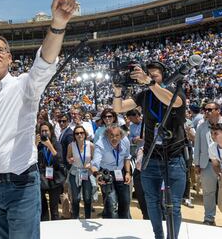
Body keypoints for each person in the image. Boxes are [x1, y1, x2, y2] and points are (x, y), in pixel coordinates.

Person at [0, 0, 79, 239]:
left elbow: (45, 63)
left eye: (0, 50)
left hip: (22, 185)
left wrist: (58, 24)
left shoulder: (26, 86)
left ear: (9, 58)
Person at [113, 61, 186, 239]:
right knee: (152, 202)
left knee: (174, 205)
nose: (151, 77)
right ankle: (159, 236)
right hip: (151, 157)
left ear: (163, 77)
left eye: (155, 75)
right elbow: (119, 108)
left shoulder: (175, 91)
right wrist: (117, 90)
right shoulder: (144, 96)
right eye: (149, 75)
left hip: (174, 158)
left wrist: (150, 83)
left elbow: (174, 102)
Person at [91, 124, 131, 219]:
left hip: (121, 171)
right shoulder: (100, 144)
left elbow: (127, 157)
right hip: (106, 173)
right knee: (111, 203)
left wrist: (128, 172)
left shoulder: (125, 141)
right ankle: (111, 226)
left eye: (117, 135)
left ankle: (124, 224)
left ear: (121, 135)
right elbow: (95, 164)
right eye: (111, 135)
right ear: (107, 135)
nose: (114, 138)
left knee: (125, 201)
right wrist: (97, 175)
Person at [193, 101, 221, 225]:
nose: (207, 112)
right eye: (206, 110)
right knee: (208, 192)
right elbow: (197, 145)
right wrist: (197, 164)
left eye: (210, 109)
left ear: (218, 110)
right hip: (207, 164)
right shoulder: (201, 127)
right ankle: (209, 218)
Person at [37, 122, 65, 221]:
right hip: (41, 178)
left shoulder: (56, 143)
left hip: (55, 178)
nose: (44, 133)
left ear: (50, 131)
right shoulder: (38, 145)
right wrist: (35, 145)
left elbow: (60, 160)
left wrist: (50, 146)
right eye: (42, 131)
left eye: (46, 131)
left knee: (54, 208)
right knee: (42, 207)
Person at [67, 125, 94, 219]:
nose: (79, 135)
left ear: (85, 134)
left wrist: (90, 165)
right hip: (75, 173)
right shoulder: (71, 145)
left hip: (87, 173)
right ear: (74, 135)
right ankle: (75, 218)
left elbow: (95, 160)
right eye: (77, 133)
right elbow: (68, 157)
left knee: (87, 198)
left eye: (81, 133)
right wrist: (70, 160)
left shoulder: (90, 145)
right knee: (76, 198)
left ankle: (87, 218)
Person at [209, 122, 222, 213]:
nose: (213, 136)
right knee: (220, 205)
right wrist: (219, 173)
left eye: (216, 133)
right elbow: (215, 164)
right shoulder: (212, 147)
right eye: (211, 133)